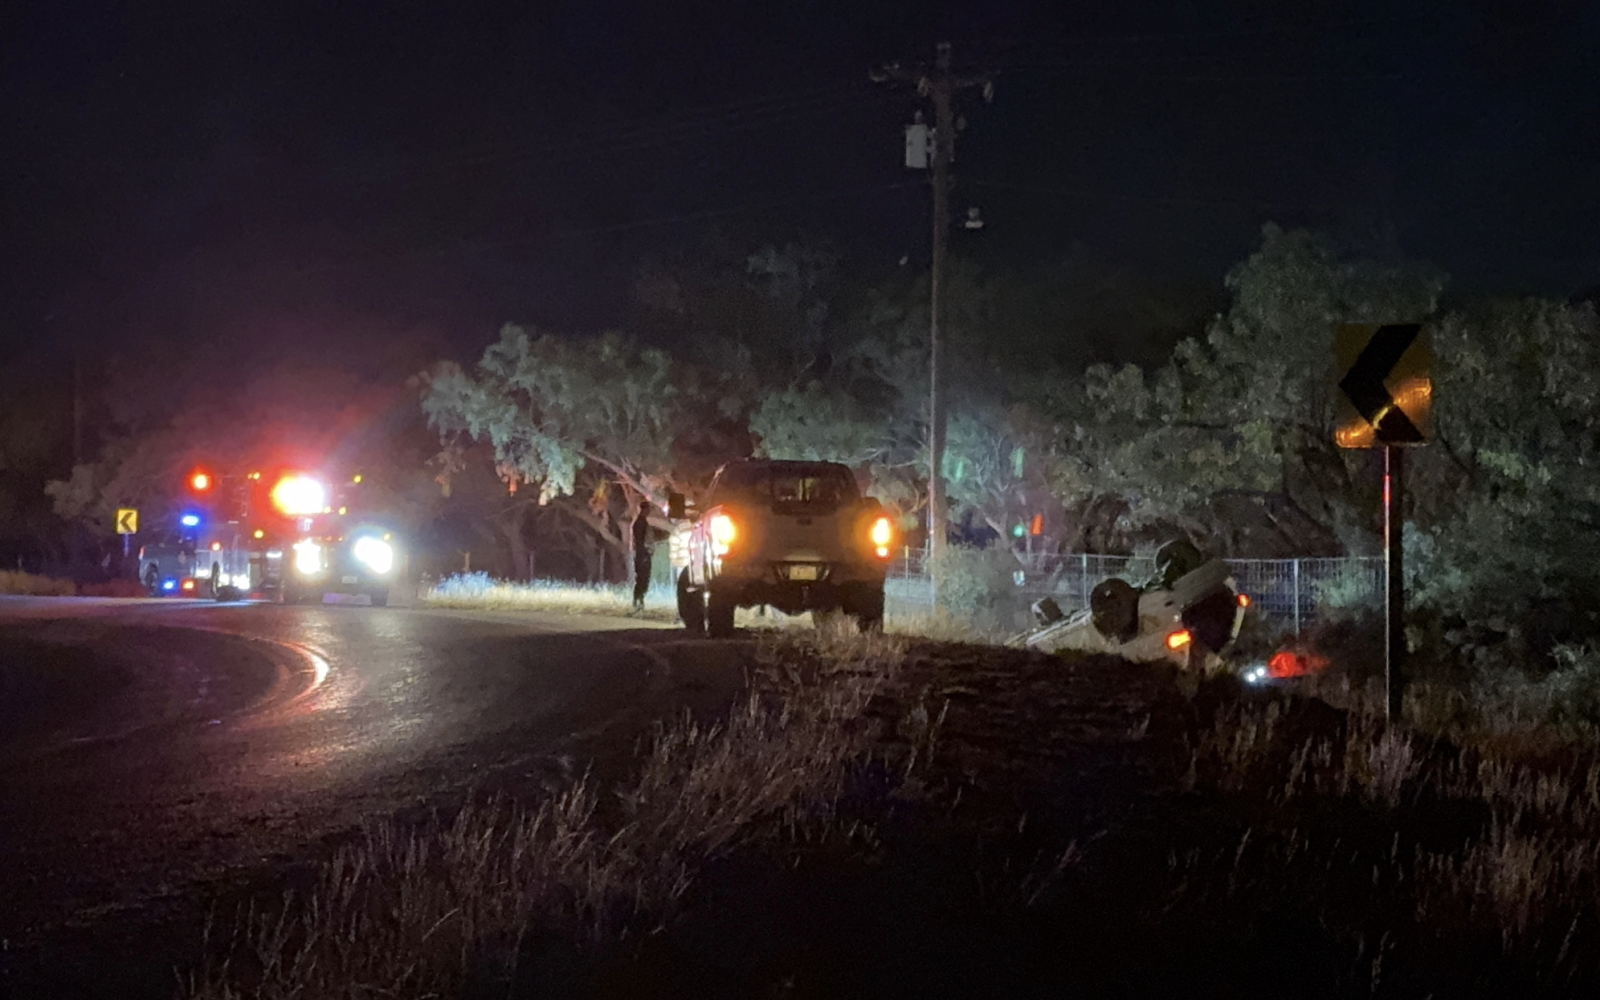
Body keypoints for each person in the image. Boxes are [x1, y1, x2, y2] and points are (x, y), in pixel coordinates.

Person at [631, 499, 653, 610]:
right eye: (648, 509)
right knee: (642, 578)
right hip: (642, 554)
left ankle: (639, 600)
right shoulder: (641, 522)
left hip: (641, 553)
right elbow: (640, 540)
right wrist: (644, 553)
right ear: (644, 509)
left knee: (641, 578)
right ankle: (638, 600)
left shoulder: (641, 522)